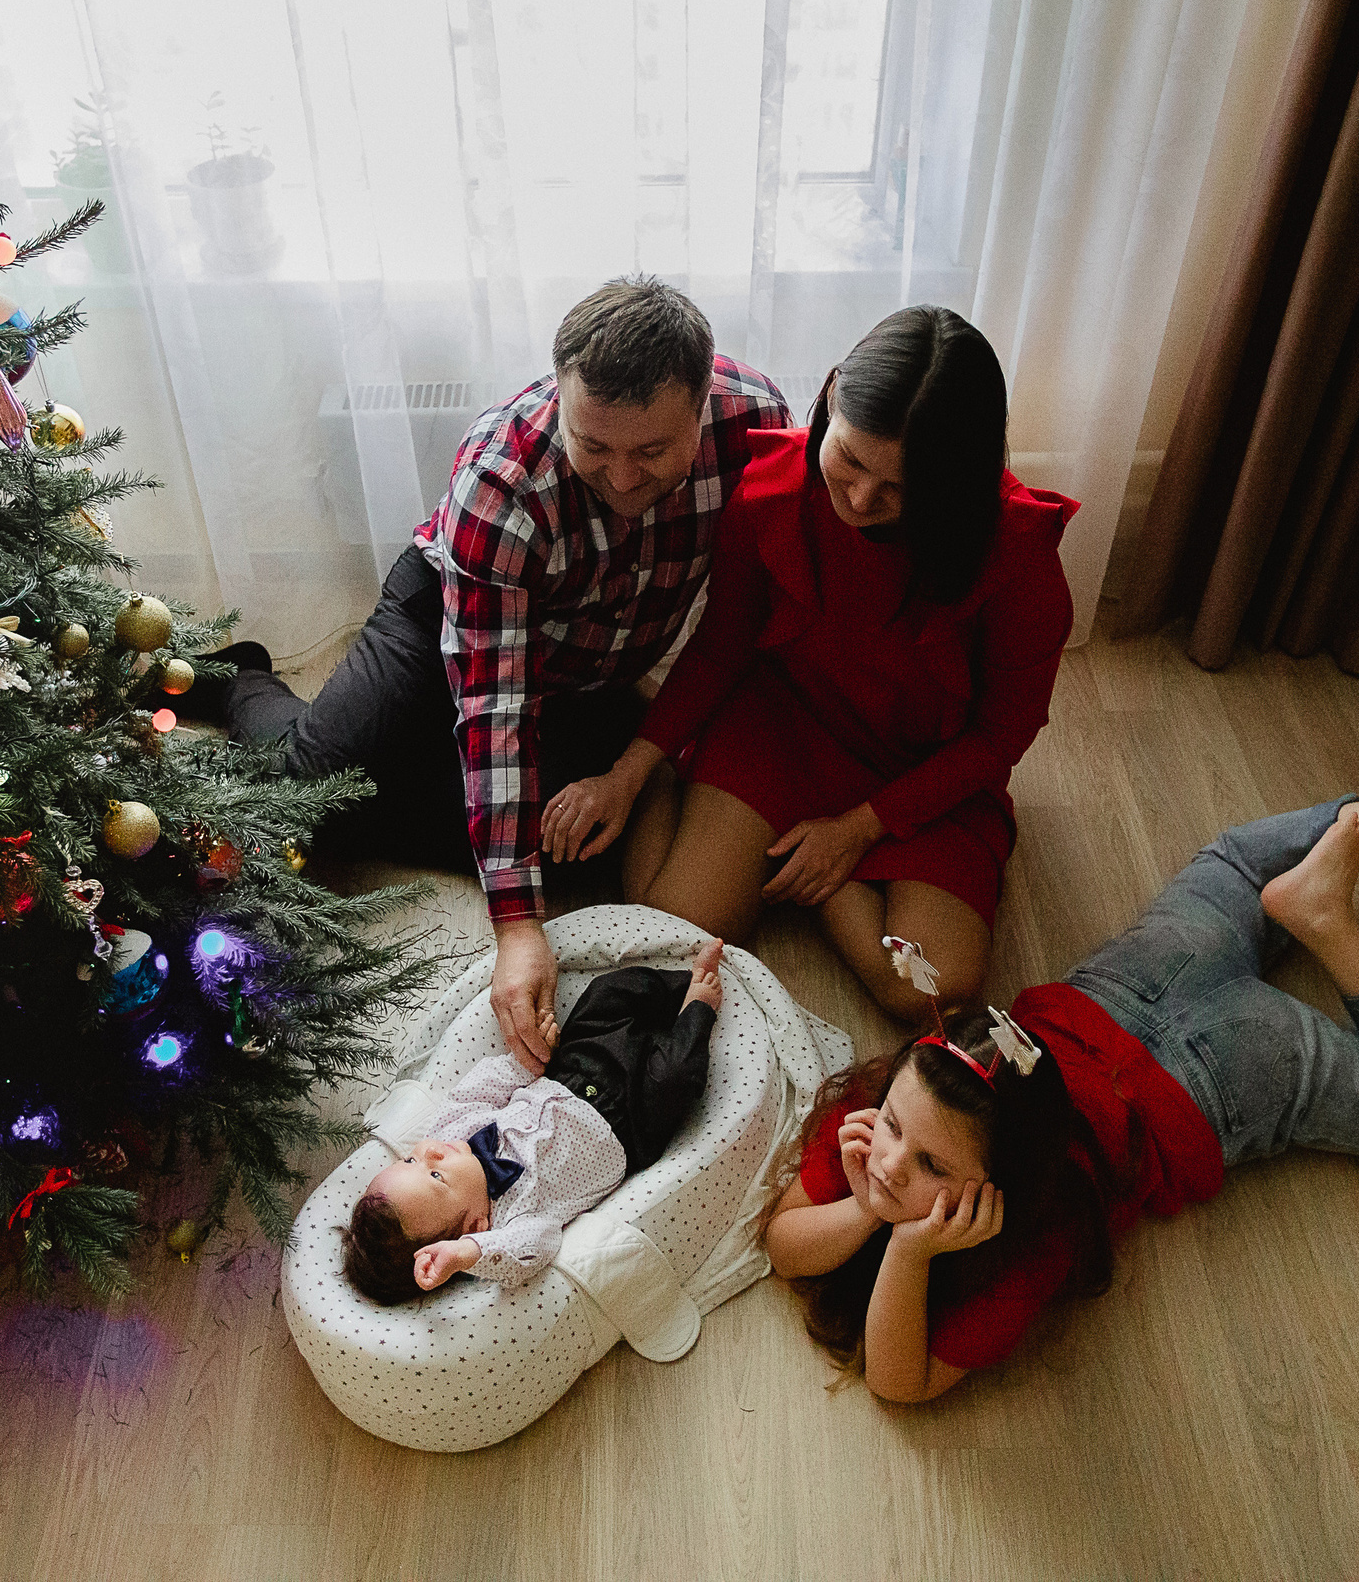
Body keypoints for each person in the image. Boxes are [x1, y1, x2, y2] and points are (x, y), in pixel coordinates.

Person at [760, 779, 1359, 1403]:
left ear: (1009, 1179)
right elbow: (785, 1245)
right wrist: (877, 1214)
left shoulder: (1027, 1232)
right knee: (1237, 864)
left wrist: (902, 1240)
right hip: (1121, 992)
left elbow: (900, 1383)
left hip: (1216, 1079)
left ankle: (1330, 920)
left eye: (930, 1164)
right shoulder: (886, 1118)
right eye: (896, 1129)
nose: (891, 1162)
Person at [209, 280, 788, 1072]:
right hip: (442, 620)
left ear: (703, 404)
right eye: (594, 447)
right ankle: (239, 682)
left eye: (652, 452)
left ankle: (408, 774)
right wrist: (518, 926)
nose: (623, 479)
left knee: (579, 845)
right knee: (311, 797)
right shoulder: (501, 477)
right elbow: (495, 706)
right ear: (561, 398)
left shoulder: (758, 423)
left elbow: (741, 621)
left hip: (588, 676)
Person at [540, 305, 1071, 1024]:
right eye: (850, 459)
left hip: (925, 769)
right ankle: (708, 797)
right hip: (784, 726)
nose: (860, 498)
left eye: (900, 488)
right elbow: (721, 645)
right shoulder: (772, 489)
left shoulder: (1019, 557)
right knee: (674, 928)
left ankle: (812, 872)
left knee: (928, 987)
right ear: (828, 399)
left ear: (957, 480)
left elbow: (1002, 734)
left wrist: (854, 831)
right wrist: (631, 771)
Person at [342, 942, 726, 1305]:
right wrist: (468, 1254)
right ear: (475, 1226)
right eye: (436, 1176)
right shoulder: (515, 1220)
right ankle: (697, 1005)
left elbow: (477, 1090)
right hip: (632, 1118)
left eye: (410, 1160)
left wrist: (527, 1061)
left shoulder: (450, 1133)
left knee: (606, 993)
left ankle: (677, 985)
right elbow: (533, 1249)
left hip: (572, 1069)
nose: (432, 1153)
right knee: (676, 1076)